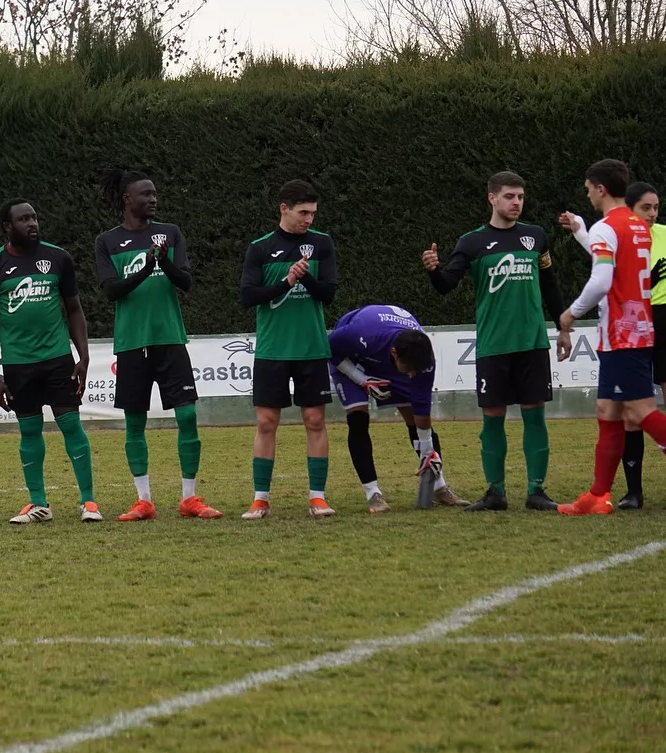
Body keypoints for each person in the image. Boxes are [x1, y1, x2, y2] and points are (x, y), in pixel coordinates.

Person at [422, 171, 565, 512]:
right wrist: (432, 270)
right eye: (509, 197)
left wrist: (564, 326)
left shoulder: (536, 237)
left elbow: (550, 285)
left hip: (532, 343)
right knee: (493, 417)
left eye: (520, 197)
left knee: (535, 415)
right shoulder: (471, 242)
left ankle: (536, 491)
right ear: (492, 198)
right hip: (493, 345)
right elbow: (445, 285)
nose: (516, 203)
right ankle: (496, 493)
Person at [94, 168, 221, 522]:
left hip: (170, 340)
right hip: (132, 344)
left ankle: (189, 499)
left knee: (188, 416)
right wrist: (146, 265)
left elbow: (186, 283)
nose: (153, 199)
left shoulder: (170, 233)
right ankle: (144, 501)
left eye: (154, 194)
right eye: (145, 194)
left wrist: (163, 260)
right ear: (127, 200)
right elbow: (111, 291)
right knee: (135, 423)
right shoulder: (107, 241)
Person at [0, 198, 100, 524]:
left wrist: (83, 357)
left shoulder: (58, 257)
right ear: (7, 226)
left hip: (58, 358)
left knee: (71, 425)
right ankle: (39, 504)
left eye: (34, 218)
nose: (32, 224)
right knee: (29, 430)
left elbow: (74, 309)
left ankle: (89, 502)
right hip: (18, 364)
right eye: (24, 219)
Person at [556, 160, 666, 515]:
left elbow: (602, 280)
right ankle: (598, 496)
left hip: (622, 335)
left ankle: (598, 494)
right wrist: (581, 232)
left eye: (588, 188)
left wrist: (571, 314)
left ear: (600, 188)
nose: (587, 194)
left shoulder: (608, 227)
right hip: (634, 330)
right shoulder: (637, 227)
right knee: (608, 410)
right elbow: (612, 260)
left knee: (640, 412)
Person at [238, 180, 337, 519]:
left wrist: (305, 278)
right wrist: (286, 282)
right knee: (266, 422)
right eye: (303, 212)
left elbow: (328, 293)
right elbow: (248, 296)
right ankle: (260, 498)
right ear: (284, 208)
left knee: (314, 419)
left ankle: (318, 497)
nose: (309, 219)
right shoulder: (261, 248)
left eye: (313, 213)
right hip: (272, 350)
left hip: (310, 348)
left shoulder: (322, 244)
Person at [328, 304, 468, 512]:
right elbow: (326, 346)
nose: (412, 375)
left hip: (391, 358)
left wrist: (428, 449)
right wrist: (362, 379)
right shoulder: (361, 333)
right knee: (358, 418)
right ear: (394, 354)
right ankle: (373, 493)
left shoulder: (423, 360)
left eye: (416, 371)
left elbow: (422, 408)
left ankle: (439, 488)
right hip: (352, 358)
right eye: (409, 370)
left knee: (414, 417)